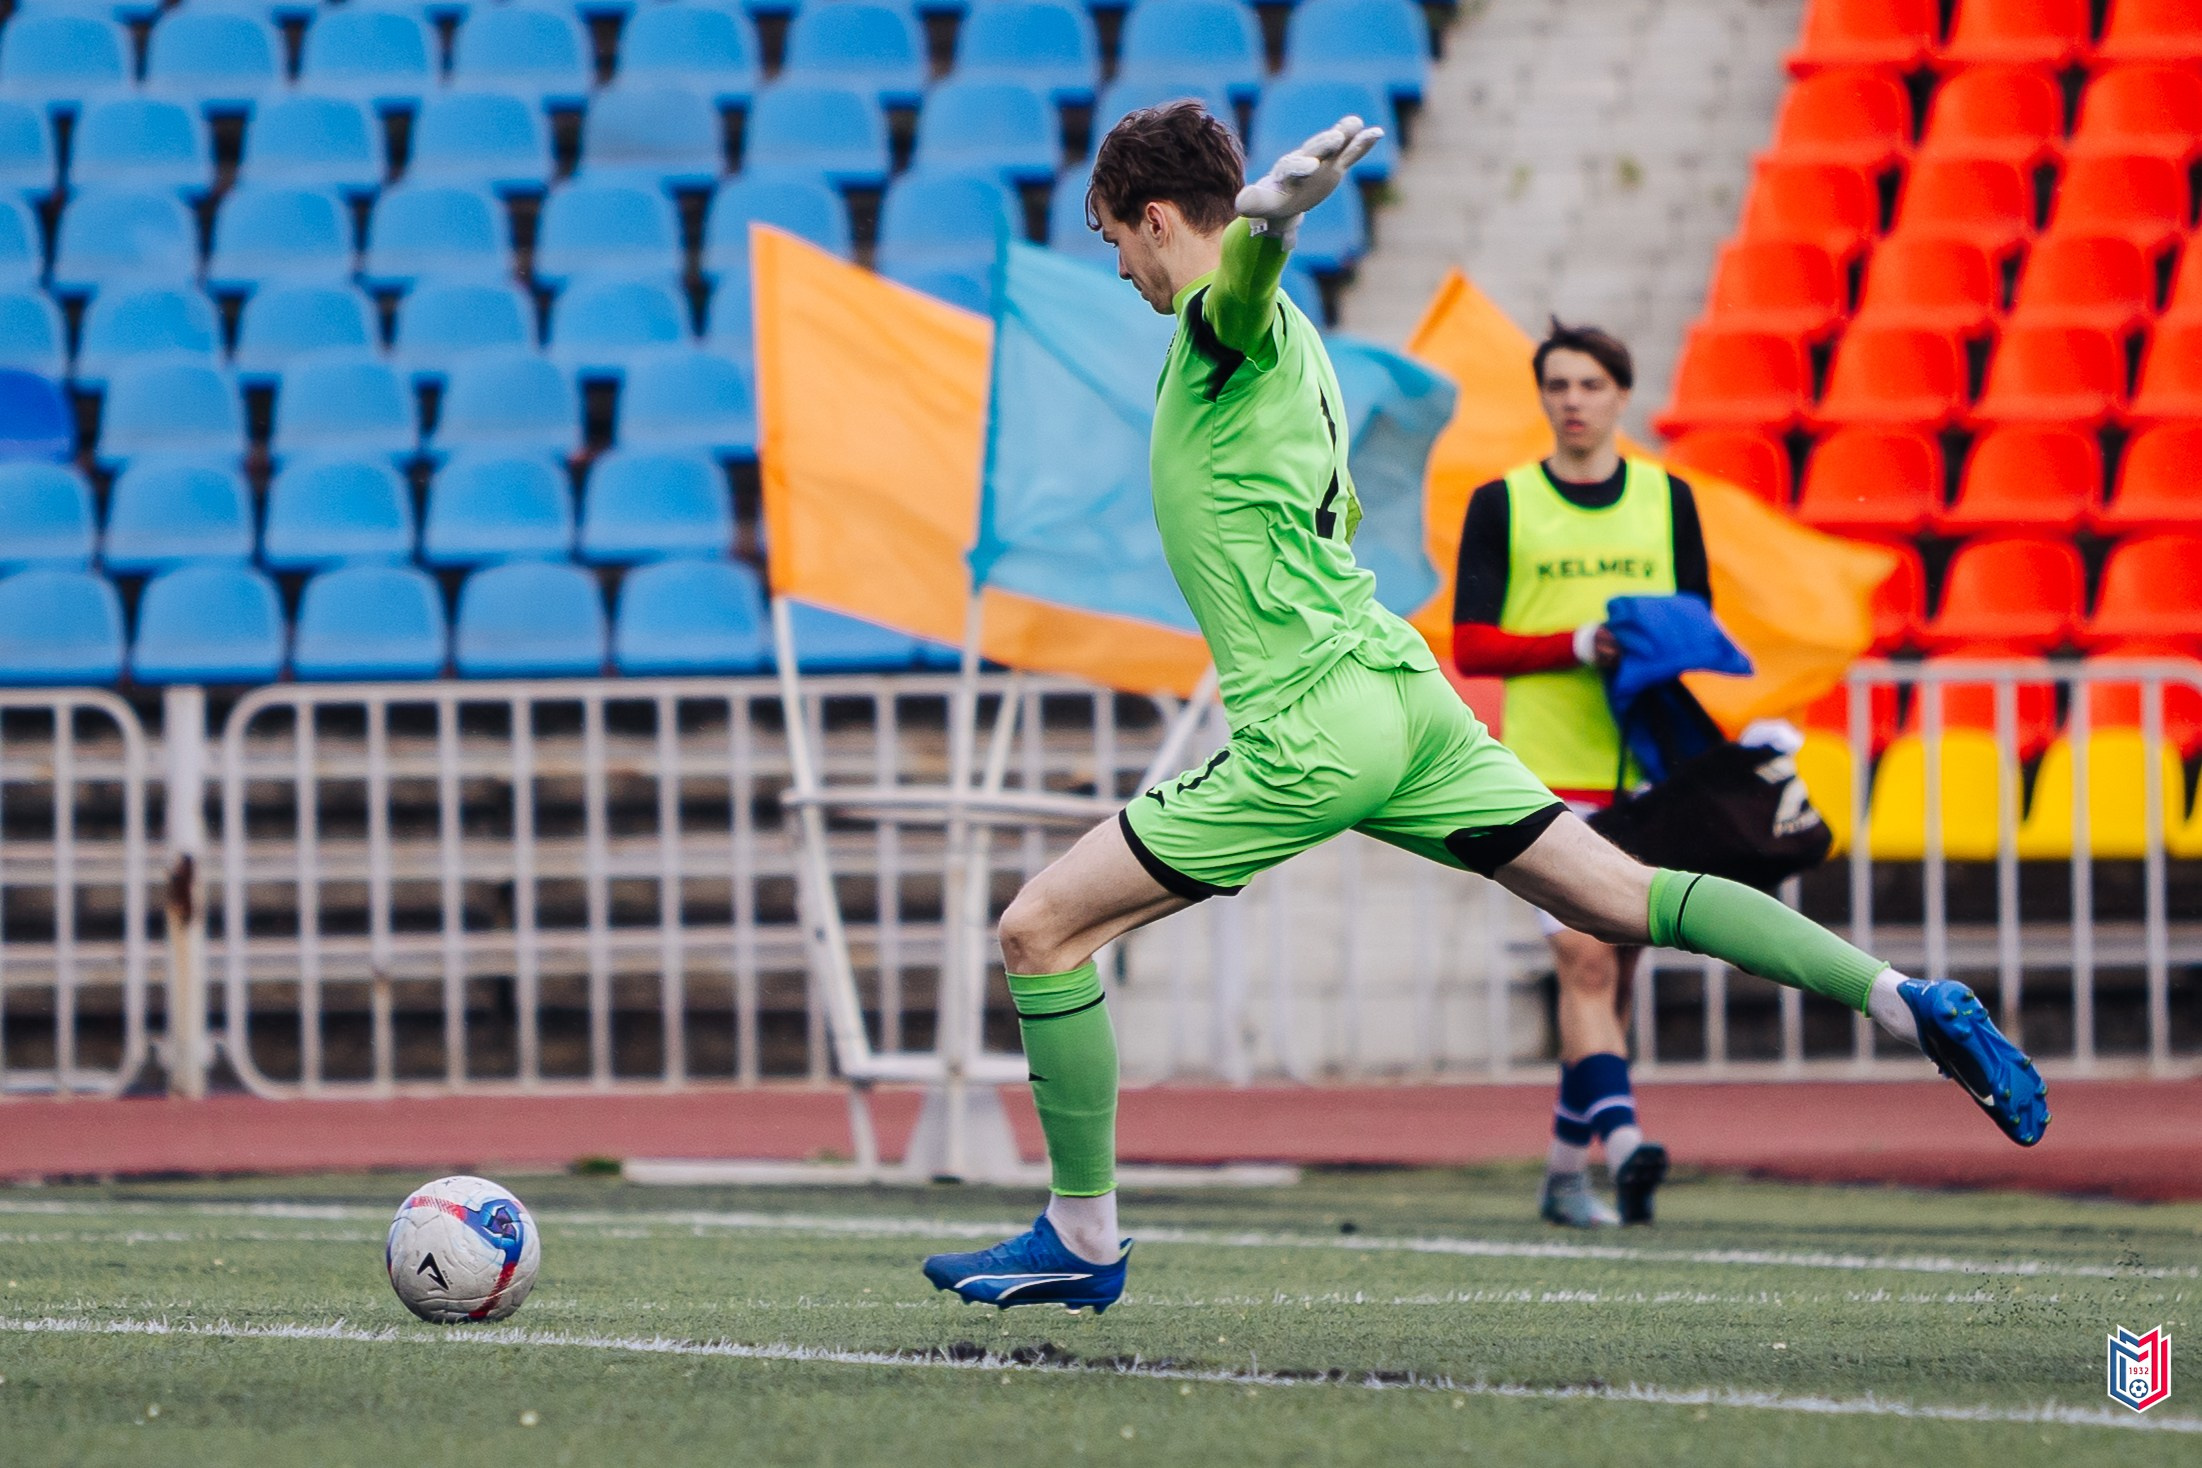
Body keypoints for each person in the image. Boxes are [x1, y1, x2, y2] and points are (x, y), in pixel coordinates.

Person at [921, 103, 2047, 1315]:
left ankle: (1083, 1238)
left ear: (1153, 217)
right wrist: (1270, 239)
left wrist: (1271, 229)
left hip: (1312, 724)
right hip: (1406, 701)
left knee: (1040, 931)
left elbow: (1226, 291)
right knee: (1626, 895)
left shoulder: (1224, 322)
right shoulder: (1296, 347)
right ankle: (1904, 997)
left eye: (1114, 241)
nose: (1121, 270)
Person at [1451, 320, 1705, 1229]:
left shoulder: (1669, 500)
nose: (1573, 401)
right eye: (1557, 385)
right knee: (1584, 960)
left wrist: (1651, 643)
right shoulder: (1504, 502)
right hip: (1545, 781)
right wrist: (1576, 644)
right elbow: (1470, 640)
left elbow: (1696, 622)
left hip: (1646, 778)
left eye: (1590, 384)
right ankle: (1630, 1141)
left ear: (1622, 394)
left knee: (1615, 980)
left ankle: (1565, 1174)